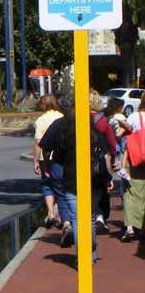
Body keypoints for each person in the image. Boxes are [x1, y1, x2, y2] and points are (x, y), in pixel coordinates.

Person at [40, 94, 100, 264]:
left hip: (70, 177)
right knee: (89, 217)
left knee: (77, 218)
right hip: (91, 178)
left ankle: (83, 254)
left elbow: (45, 147)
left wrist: (47, 166)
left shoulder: (60, 126)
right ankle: (91, 250)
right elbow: (104, 149)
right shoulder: (90, 125)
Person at [33, 94, 63, 228]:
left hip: (44, 157)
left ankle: (51, 212)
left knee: (47, 185)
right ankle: (62, 215)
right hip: (59, 156)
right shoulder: (61, 117)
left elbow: (38, 142)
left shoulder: (40, 120)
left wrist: (35, 160)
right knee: (61, 184)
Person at [90, 89, 117, 232]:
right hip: (99, 161)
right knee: (100, 188)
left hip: (80, 161)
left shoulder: (78, 119)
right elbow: (112, 145)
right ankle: (100, 215)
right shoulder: (103, 122)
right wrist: (112, 163)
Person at [120, 92, 145, 242]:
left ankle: (130, 227)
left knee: (130, 192)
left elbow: (121, 134)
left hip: (134, 157)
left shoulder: (135, 117)